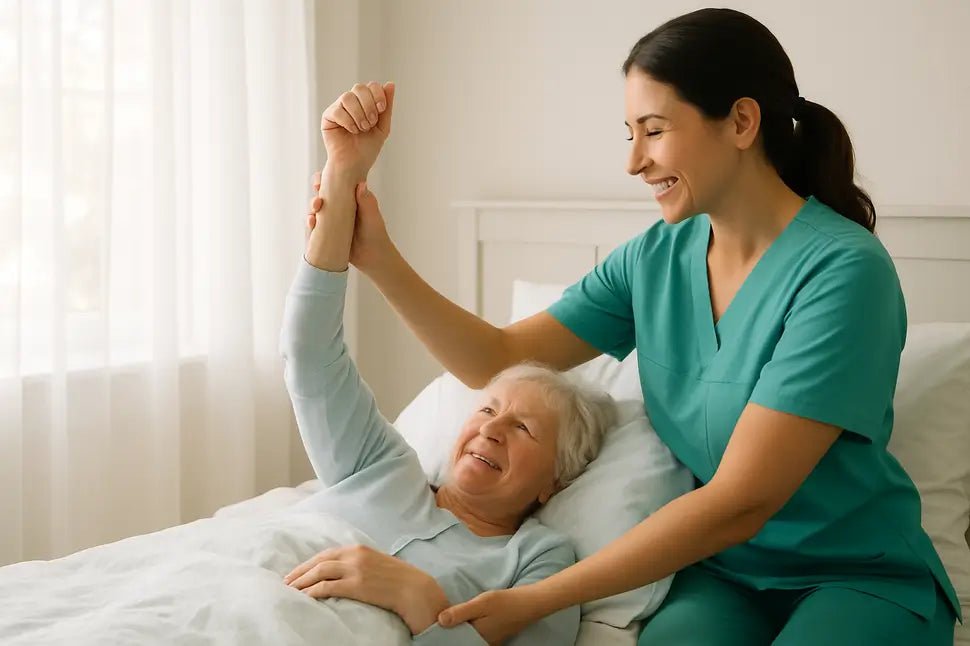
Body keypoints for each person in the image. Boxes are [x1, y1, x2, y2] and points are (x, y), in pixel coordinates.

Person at [305, 7, 961, 645]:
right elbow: (498, 359)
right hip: (725, 576)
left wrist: (533, 600)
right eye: (630, 135)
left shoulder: (844, 272)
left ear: (740, 121)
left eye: (653, 130)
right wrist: (378, 258)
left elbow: (742, 500)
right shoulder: (656, 258)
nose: (634, 162)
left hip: (855, 575)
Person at [282, 163, 617, 644]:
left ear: (555, 481)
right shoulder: (379, 466)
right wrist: (343, 176)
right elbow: (309, 355)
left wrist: (421, 599)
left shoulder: (539, 562)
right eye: (486, 409)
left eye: (523, 428)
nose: (491, 429)